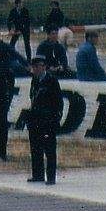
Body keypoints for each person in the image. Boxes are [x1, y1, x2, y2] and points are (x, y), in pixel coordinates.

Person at [27, 55, 63, 185]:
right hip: (35, 119)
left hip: (48, 120)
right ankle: (38, 175)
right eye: (34, 67)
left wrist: (55, 118)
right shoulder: (34, 80)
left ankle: (51, 177)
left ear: (44, 67)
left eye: (39, 66)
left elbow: (58, 101)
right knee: (35, 148)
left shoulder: (51, 80)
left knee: (49, 149)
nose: (36, 69)